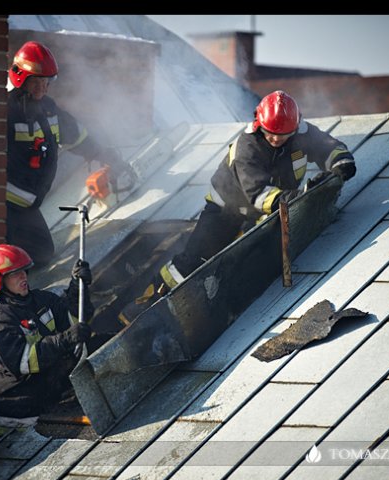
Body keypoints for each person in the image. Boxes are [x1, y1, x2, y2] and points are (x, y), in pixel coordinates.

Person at [119, 90, 357, 325]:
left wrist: (341, 163)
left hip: (264, 214)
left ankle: (218, 310)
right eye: (271, 133)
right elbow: (258, 194)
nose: (276, 139)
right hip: (224, 211)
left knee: (242, 263)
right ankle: (144, 306)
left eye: (283, 134)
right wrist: (300, 196)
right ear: (259, 123)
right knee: (192, 261)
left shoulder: (302, 133)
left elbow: (329, 147)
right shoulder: (247, 146)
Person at [5, 41, 128, 267]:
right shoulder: (5, 111)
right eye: (37, 82)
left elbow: (75, 135)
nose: (42, 88)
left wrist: (103, 153)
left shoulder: (47, 108)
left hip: (27, 205)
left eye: (47, 81)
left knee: (41, 254)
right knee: (11, 260)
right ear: (20, 78)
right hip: (5, 205)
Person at [0, 244, 94, 435]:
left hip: (46, 404)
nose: (23, 276)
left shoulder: (40, 300)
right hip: (17, 419)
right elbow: (23, 362)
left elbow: (74, 322)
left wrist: (78, 289)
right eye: (15, 274)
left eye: (23, 271)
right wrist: (63, 340)